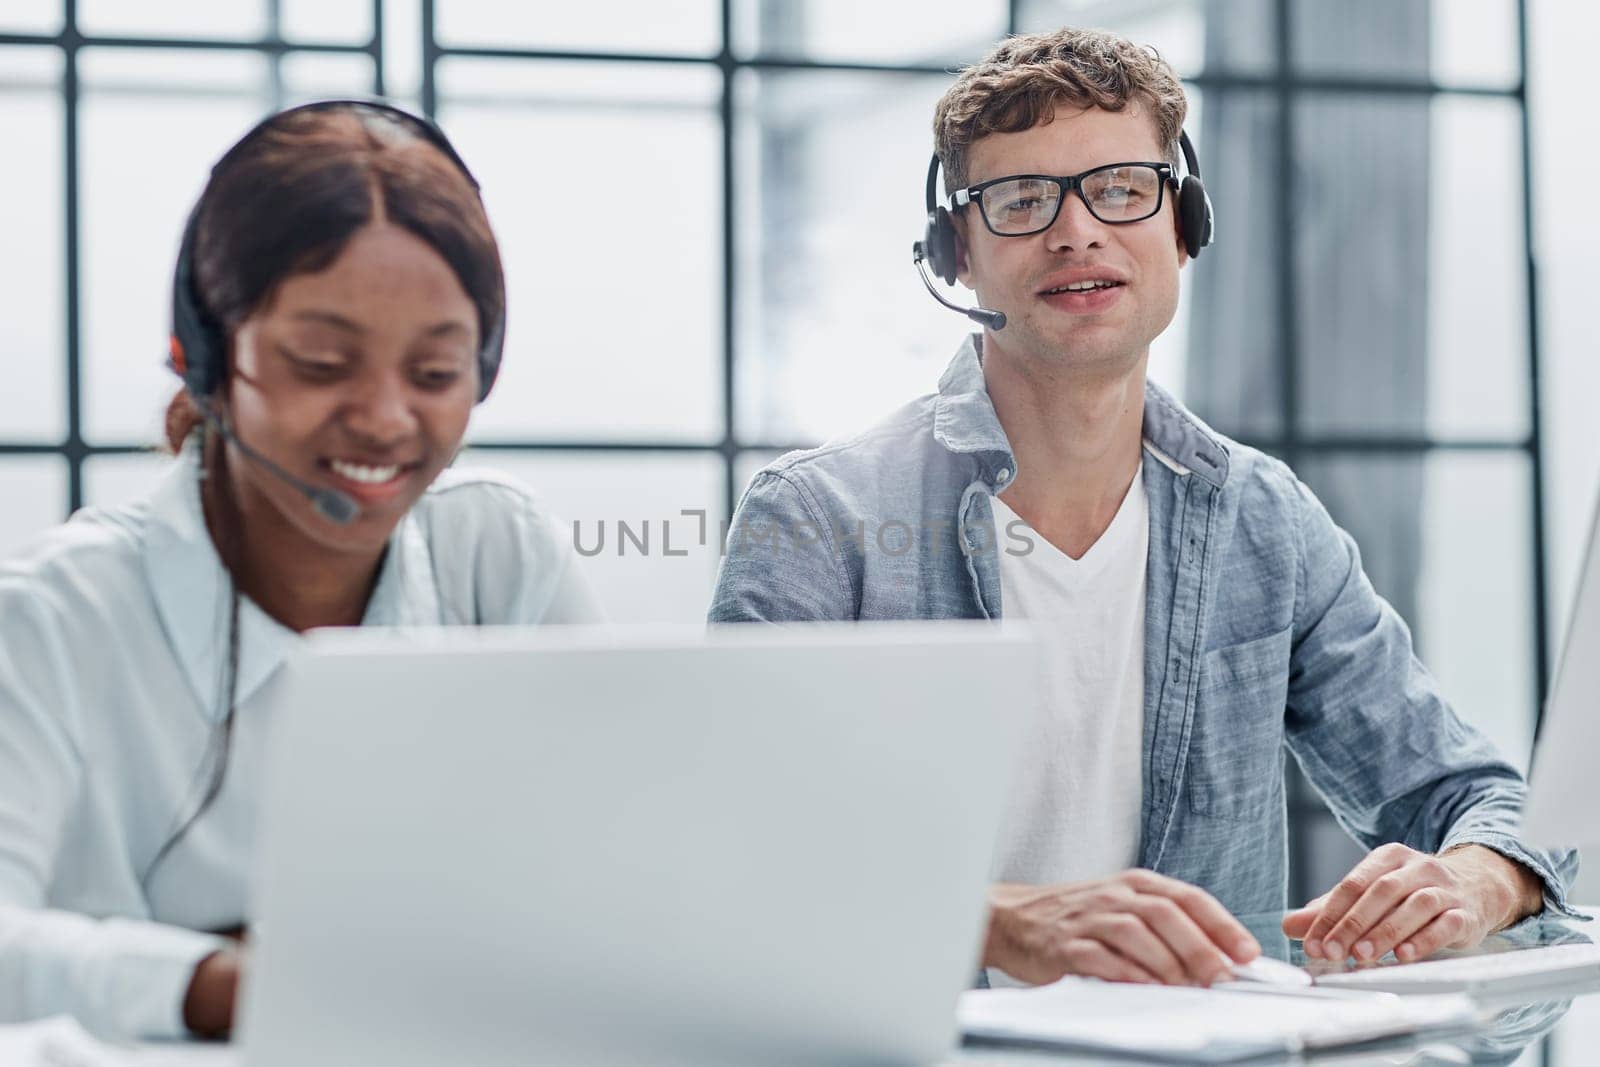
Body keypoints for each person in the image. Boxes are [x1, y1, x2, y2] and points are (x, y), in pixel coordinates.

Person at [709, 29, 1577, 989]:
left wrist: (1472, 881)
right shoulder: (818, 518)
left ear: (1184, 223)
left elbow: (1476, 796)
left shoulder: (1265, 521)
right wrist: (995, 918)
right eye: (1023, 199)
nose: (1077, 231)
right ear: (954, 254)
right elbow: (731, 850)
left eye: (1121, 188)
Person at [0, 101, 601, 1040]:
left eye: (436, 374)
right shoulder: (54, 615)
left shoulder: (497, 554)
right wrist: (219, 983)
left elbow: (607, 873)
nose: (385, 418)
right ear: (205, 358)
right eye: (323, 363)